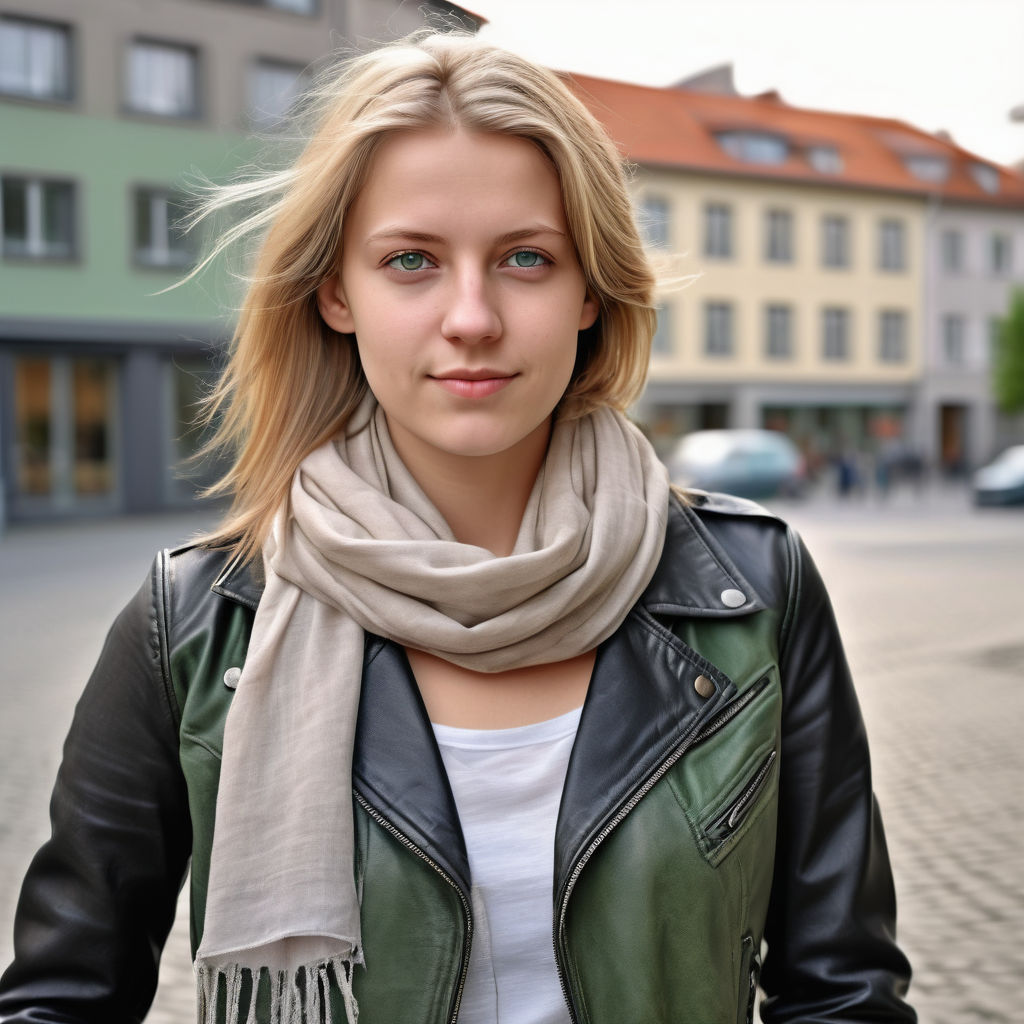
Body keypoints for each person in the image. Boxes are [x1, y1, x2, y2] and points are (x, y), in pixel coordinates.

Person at [0, 31, 916, 1024]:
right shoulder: (192, 622)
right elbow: (62, 999)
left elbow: (843, 991)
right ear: (336, 294)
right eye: (411, 261)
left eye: (526, 257)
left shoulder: (752, 591)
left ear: (589, 293)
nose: (472, 316)